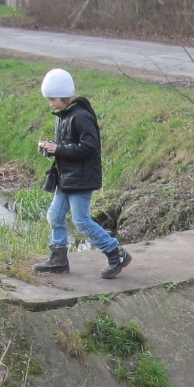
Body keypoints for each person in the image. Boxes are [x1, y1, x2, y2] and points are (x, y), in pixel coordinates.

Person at [33, 68, 131, 279]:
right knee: (55, 216)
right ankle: (58, 260)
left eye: (52, 99)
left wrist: (58, 149)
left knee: (81, 222)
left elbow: (90, 147)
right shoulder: (63, 116)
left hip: (81, 179)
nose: (50, 104)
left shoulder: (81, 116)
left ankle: (116, 253)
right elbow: (68, 145)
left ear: (63, 96)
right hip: (66, 177)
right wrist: (51, 148)